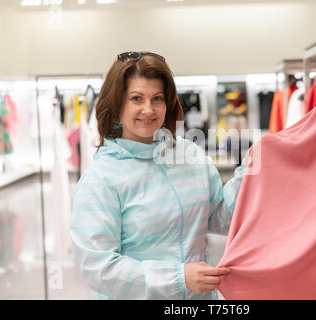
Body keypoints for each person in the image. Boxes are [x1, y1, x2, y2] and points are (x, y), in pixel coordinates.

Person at [69, 51, 248, 300]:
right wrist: (178, 277)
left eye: (157, 98)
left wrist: (249, 171)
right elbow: (98, 268)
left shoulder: (189, 155)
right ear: (117, 104)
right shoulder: (101, 179)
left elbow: (219, 217)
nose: (148, 109)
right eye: (136, 98)